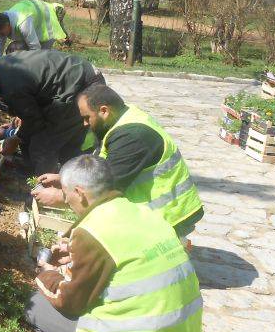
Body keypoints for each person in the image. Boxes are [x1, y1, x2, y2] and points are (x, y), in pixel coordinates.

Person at [26, 155, 202, 332]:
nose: (67, 202)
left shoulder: (92, 231)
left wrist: (46, 272)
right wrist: (80, 256)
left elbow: (70, 302)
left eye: (67, 196)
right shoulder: (141, 212)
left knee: (34, 306)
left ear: (80, 192)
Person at [33, 85, 204, 239]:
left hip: (169, 215)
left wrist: (61, 196)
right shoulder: (120, 120)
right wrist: (64, 179)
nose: (84, 124)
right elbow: (100, 168)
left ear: (104, 111)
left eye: (87, 117)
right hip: (155, 212)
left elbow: (104, 190)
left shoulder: (133, 136)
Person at [0, 50, 104, 175]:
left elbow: (35, 121)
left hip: (79, 89)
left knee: (42, 146)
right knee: (65, 144)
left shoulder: (10, 83)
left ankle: (44, 190)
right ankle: (66, 178)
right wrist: (21, 117)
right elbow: (32, 102)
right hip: (81, 77)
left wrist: (15, 138)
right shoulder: (5, 64)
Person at [0, 0, 67, 58]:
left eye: (1, 33)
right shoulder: (4, 21)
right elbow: (0, 45)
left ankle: (59, 58)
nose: (0, 35)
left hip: (46, 17)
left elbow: (35, 48)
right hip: (32, 15)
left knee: (43, 54)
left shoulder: (23, 24)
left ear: (7, 25)